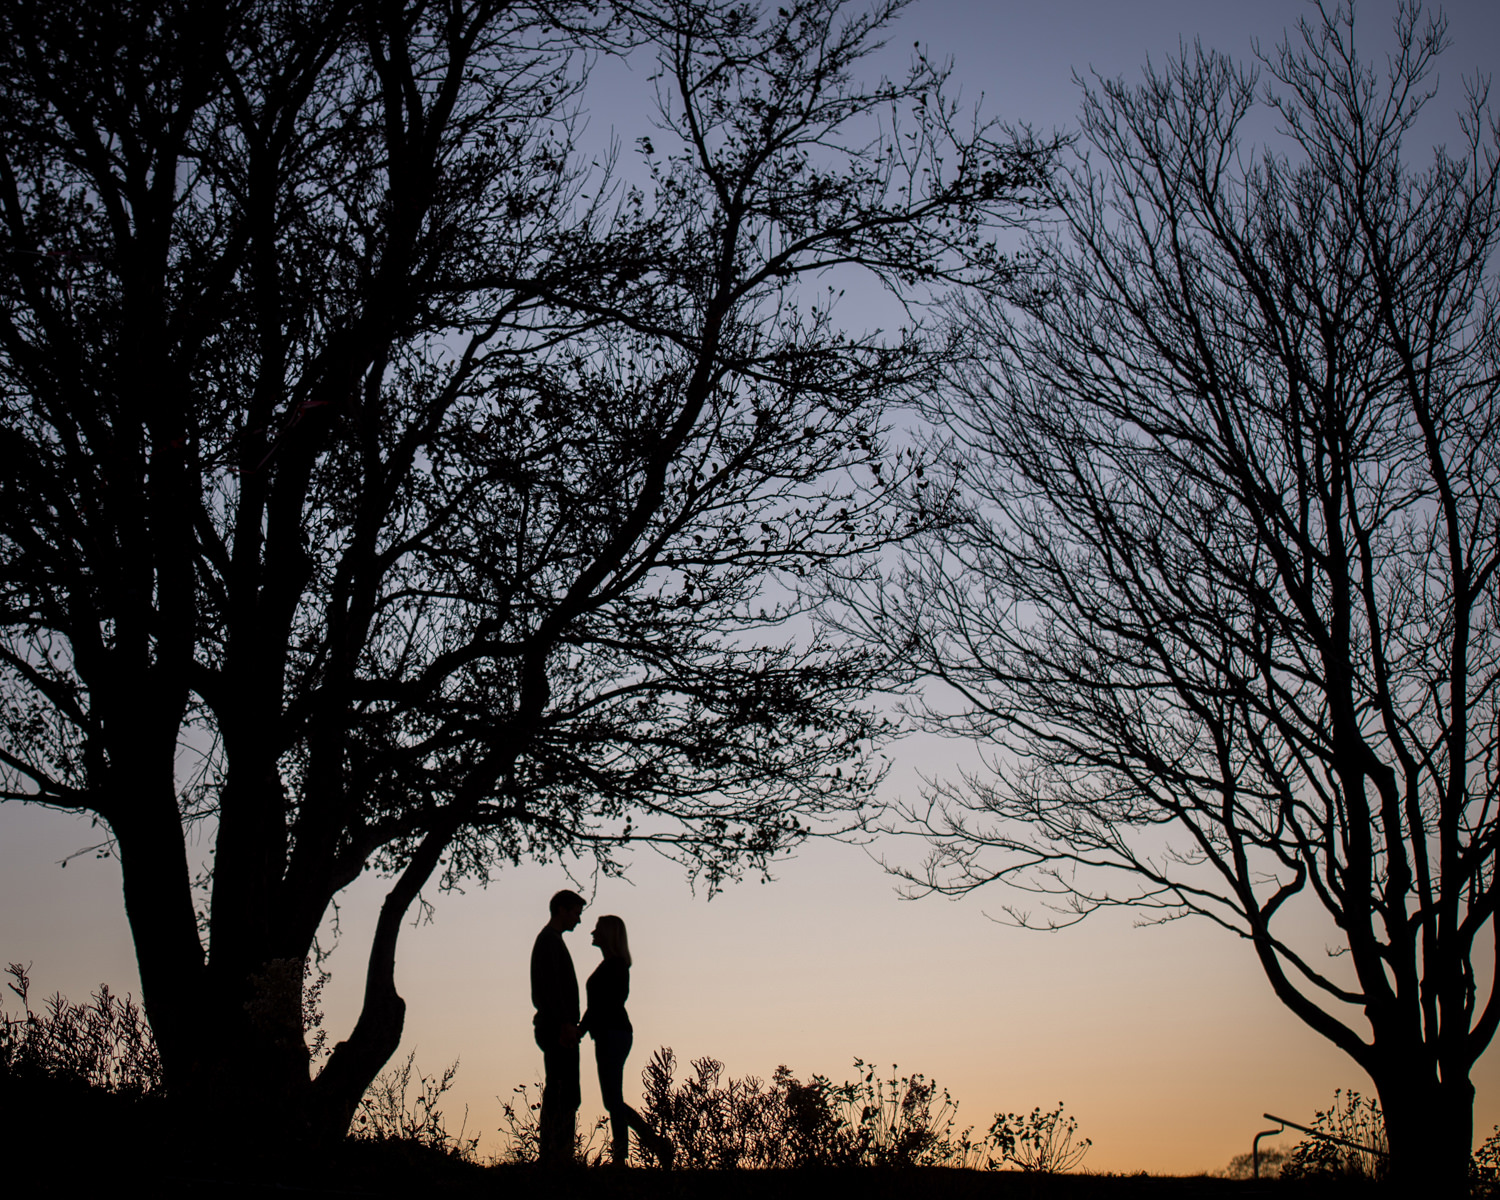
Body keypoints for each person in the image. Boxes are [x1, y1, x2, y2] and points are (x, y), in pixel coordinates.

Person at [579, 914, 674, 1169]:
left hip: (613, 1033)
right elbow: (598, 1005)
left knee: (612, 1100)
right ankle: (639, 1150)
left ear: (608, 934)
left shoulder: (616, 966)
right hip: (610, 1033)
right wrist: (583, 1029)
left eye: (597, 929)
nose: (592, 933)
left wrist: (581, 1030)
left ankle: (636, 1151)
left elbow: (603, 1004)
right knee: (612, 1099)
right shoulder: (613, 965)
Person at [532, 888, 585, 1165]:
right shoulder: (549, 942)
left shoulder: (551, 941)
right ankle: (557, 1153)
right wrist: (565, 1024)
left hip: (558, 1026)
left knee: (561, 1088)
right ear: (562, 910)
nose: (578, 920)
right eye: (576, 913)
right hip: (557, 1028)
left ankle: (556, 1153)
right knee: (562, 1090)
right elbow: (552, 989)